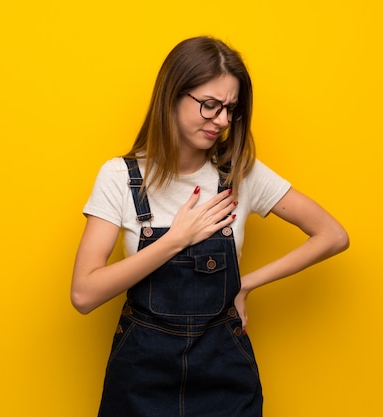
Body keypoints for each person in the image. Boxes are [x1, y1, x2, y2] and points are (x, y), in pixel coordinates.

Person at [71, 36, 349, 417]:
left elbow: (333, 236)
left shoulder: (240, 174)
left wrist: (244, 284)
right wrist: (176, 240)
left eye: (230, 109)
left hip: (224, 374)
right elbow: (84, 295)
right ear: (172, 95)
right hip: (141, 376)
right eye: (210, 105)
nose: (221, 121)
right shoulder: (119, 177)